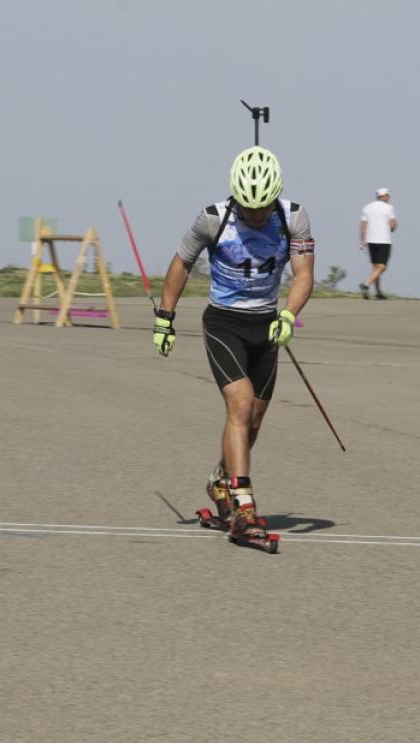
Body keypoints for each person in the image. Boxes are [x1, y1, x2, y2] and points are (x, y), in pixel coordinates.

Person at [152, 146, 315, 540]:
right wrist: (165, 318)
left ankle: (221, 480)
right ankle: (243, 504)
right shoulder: (212, 219)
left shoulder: (293, 217)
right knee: (239, 404)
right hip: (224, 323)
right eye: (248, 208)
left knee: (253, 420)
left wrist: (289, 315)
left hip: (267, 324)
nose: (256, 216)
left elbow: (304, 274)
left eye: (262, 208)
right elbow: (181, 263)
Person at [358, 187, 397, 299]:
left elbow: (363, 225)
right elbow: (392, 225)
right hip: (384, 241)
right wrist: (393, 226)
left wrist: (362, 240)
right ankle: (366, 284)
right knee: (382, 267)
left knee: (375, 268)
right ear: (384, 196)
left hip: (370, 241)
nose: (389, 198)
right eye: (388, 196)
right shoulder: (389, 208)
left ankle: (378, 292)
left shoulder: (367, 207)